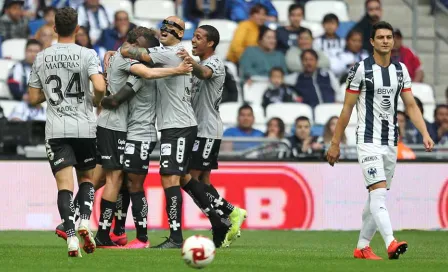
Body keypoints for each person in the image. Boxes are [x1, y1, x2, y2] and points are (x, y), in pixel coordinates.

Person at [326, 21, 434, 260]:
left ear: (393, 42)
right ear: (372, 42)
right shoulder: (360, 70)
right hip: (367, 140)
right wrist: (335, 142)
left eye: (389, 37)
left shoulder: (401, 70)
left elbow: (411, 105)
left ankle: (362, 247)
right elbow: (346, 109)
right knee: (378, 193)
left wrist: (425, 133)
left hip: (390, 142)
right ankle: (391, 242)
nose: (386, 41)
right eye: (381, 37)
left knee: (376, 196)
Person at [120, 16, 230, 249]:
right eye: (163, 27)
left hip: (178, 125)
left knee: (169, 177)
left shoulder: (172, 53)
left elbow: (131, 52)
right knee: (182, 177)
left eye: (172, 28)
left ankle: (176, 236)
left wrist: (119, 49)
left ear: (181, 34)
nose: (165, 30)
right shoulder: (173, 52)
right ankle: (217, 219)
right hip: (175, 124)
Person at [94, 26, 193, 248]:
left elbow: (117, 99)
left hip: (142, 133)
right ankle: (118, 231)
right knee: (123, 184)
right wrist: (113, 53)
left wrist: (103, 99)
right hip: (132, 132)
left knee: (134, 184)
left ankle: (142, 237)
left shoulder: (142, 73)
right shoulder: (143, 66)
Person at [27, 7, 107, 257]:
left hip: (56, 129)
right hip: (84, 126)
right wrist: (95, 100)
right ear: (77, 29)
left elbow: (32, 98)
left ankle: (71, 238)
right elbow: (100, 86)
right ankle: (84, 220)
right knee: (86, 178)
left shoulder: (42, 56)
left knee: (64, 186)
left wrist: (51, 97)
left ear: (54, 28)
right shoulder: (87, 54)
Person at [177, 25, 246, 248]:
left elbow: (205, 74)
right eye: (194, 37)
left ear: (211, 44)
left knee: (187, 177)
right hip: (199, 128)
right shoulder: (197, 64)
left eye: (199, 38)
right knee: (204, 181)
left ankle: (230, 213)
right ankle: (223, 222)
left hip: (207, 129)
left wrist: (190, 61)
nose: (194, 41)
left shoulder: (214, 63)